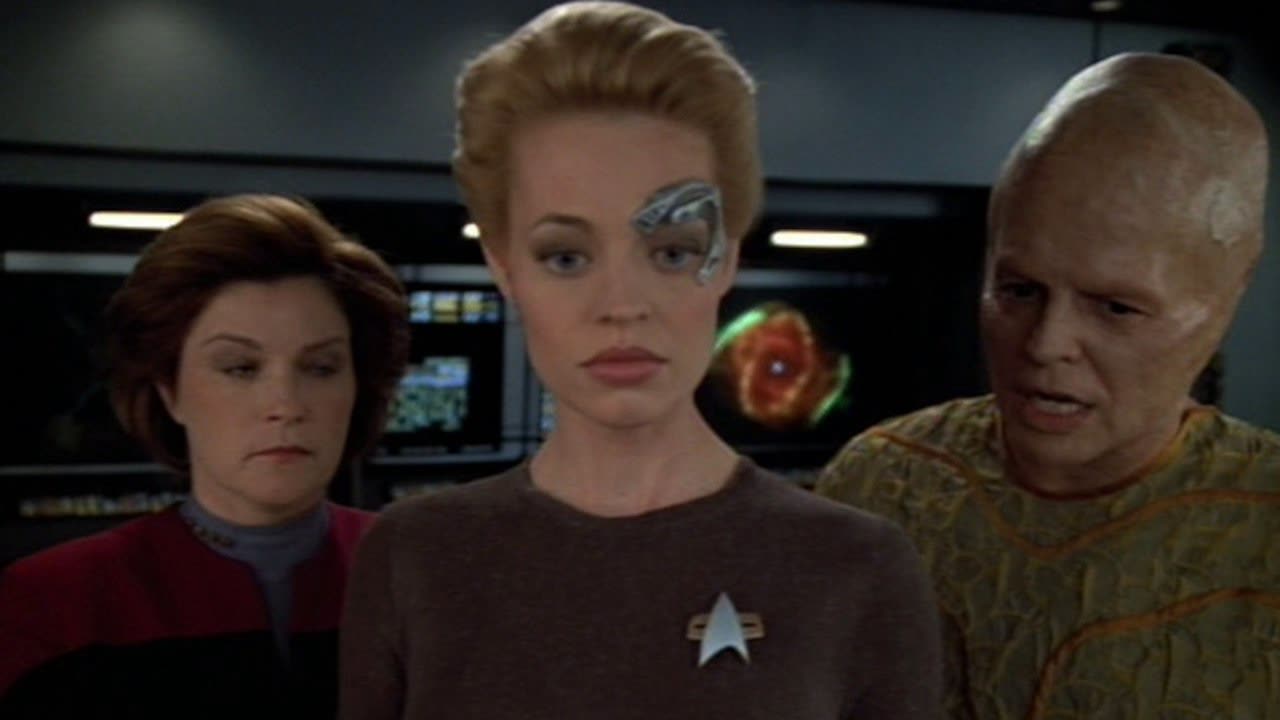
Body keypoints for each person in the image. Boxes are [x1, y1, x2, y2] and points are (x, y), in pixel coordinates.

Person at [339, 3, 943, 718]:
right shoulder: (415, 558)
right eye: (567, 257)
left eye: (671, 253)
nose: (622, 304)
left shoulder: (856, 567)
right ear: (504, 267)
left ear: (726, 259)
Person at [817, 52, 1279, 719]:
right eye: (1019, 290)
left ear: (1225, 300)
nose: (1044, 344)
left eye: (1115, 308)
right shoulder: (877, 488)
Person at [0, 194, 410, 717]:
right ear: (169, 391)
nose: (286, 405)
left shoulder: (423, 576)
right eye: (240, 368)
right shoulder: (55, 602)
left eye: (321, 368)